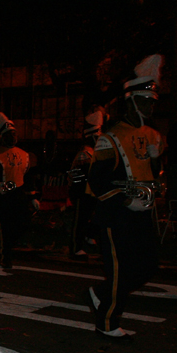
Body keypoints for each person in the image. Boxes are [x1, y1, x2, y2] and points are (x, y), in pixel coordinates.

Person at [86, 54, 165, 340]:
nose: (150, 106)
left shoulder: (154, 135)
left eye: (153, 101)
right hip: (116, 213)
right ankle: (107, 322)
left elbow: (152, 173)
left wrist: (157, 164)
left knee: (148, 266)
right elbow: (98, 179)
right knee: (120, 270)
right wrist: (125, 198)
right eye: (145, 101)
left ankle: (100, 294)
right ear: (131, 100)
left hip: (142, 212)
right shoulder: (111, 137)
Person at [0, 111, 37, 268]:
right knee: (5, 227)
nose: (12, 137)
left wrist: (32, 196)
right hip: (3, 196)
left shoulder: (25, 155)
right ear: (2, 136)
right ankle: (6, 256)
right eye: (9, 134)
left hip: (19, 194)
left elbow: (28, 178)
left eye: (14, 133)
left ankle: (5, 247)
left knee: (22, 222)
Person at [68, 110, 104, 257]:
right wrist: (79, 195)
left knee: (97, 217)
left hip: (92, 193)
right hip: (82, 194)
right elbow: (77, 177)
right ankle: (75, 248)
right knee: (79, 221)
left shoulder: (95, 153)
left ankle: (89, 237)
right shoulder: (85, 153)